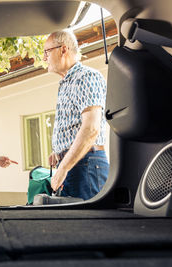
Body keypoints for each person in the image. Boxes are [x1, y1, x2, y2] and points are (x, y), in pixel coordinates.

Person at [44, 30, 109, 200]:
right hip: (75, 164)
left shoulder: (86, 77)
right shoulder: (66, 83)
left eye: (47, 52)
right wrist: (59, 151)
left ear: (63, 49)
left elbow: (91, 128)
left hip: (86, 165)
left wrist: (63, 167)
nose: (44, 58)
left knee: (89, 225)